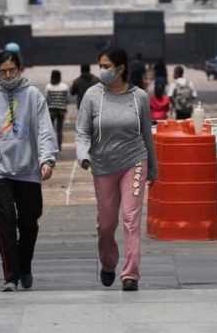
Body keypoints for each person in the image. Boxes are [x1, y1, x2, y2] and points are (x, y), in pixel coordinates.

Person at [0, 50, 57, 292]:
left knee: (29, 221)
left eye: (12, 71)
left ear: (20, 69)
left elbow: (45, 130)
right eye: (3, 71)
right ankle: (11, 275)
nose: (7, 75)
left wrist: (47, 159)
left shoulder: (34, 95)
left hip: (27, 168)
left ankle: (24, 265)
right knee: (4, 223)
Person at [75, 47, 158, 292]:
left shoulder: (139, 97)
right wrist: (84, 157)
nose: (101, 70)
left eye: (106, 66)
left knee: (131, 219)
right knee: (106, 224)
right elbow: (81, 132)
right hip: (102, 166)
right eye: (100, 65)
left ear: (120, 69)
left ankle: (130, 274)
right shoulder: (92, 95)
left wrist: (153, 168)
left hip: (134, 162)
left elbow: (146, 134)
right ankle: (108, 262)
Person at [45, 70, 69, 150]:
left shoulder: (48, 86)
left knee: (50, 129)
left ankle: (51, 145)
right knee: (59, 129)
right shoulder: (64, 86)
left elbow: (47, 99)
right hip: (61, 110)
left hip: (51, 110)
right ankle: (59, 146)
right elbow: (66, 99)